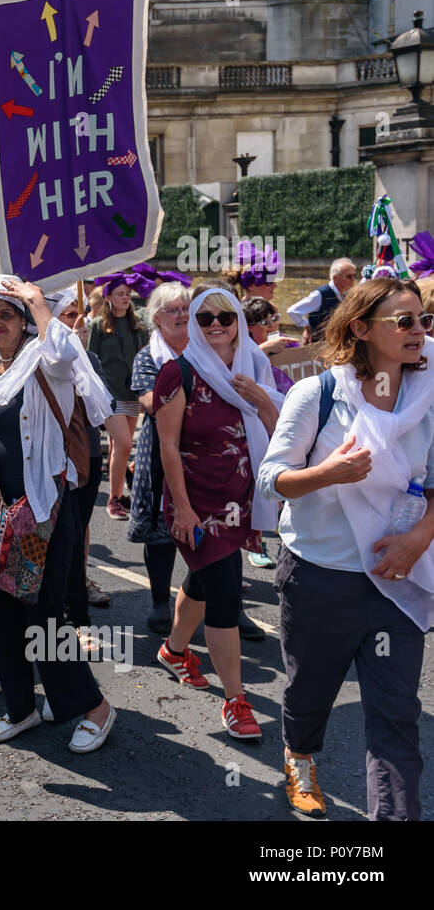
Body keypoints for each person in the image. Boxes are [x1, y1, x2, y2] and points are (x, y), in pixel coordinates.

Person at [258, 278, 433, 819]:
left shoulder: (429, 395)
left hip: (394, 579)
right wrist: (325, 474)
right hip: (320, 579)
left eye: (422, 319)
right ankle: (300, 759)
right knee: (311, 691)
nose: (419, 331)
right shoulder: (319, 394)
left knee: (395, 715)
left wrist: (417, 540)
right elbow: (273, 478)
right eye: (403, 321)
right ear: (361, 329)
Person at [0, 275, 115, 751]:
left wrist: (36, 301)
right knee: (0, 612)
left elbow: (65, 354)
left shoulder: (43, 360)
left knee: (44, 614)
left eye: (6, 314)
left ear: (25, 319)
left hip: (44, 506)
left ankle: (94, 707)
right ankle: (21, 706)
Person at [153, 288, 282, 740]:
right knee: (226, 594)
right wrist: (183, 509)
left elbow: (280, 429)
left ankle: (173, 650)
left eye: (224, 317)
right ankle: (237, 700)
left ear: (238, 322)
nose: (214, 325)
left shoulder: (255, 367)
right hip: (198, 503)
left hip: (241, 498)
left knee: (203, 582)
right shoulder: (178, 373)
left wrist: (263, 400)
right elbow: (167, 445)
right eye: (204, 318)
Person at [46, 290, 114, 626]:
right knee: (52, 544)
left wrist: (80, 360)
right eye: (67, 315)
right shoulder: (37, 359)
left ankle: (76, 616)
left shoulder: (89, 360)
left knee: (74, 541)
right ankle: (52, 616)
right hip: (51, 463)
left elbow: (99, 411)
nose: (77, 322)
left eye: (79, 314)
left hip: (85, 457)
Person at [128, 282, 190, 634]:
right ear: (157, 318)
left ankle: (225, 607)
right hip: (160, 456)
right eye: (174, 310)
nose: (182, 315)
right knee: (161, 533)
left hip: (205, 455)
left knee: (212, 536)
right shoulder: (147, 357)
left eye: (185, 308)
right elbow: (152, 403)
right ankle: (159, 602)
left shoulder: (208, 351)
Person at [88, 273, 148, 520]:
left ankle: (121, 493)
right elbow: (90, 361)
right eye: (120, 294)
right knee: (124, 444)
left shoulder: (138, 326)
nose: (125, 298)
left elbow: (144, 358)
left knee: (119, 448)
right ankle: (114, 499)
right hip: (108, 394)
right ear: (109, 298)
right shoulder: (97, 325)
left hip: (131, 393)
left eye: (127, 294)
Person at [287, 258, 357, 341]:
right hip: (319, 345)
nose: (353, 279)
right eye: (349, 276)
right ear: (335, 278)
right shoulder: (321, 294)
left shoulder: (346, 295)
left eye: (354, 276)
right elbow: (293, 311)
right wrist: (307, 327)